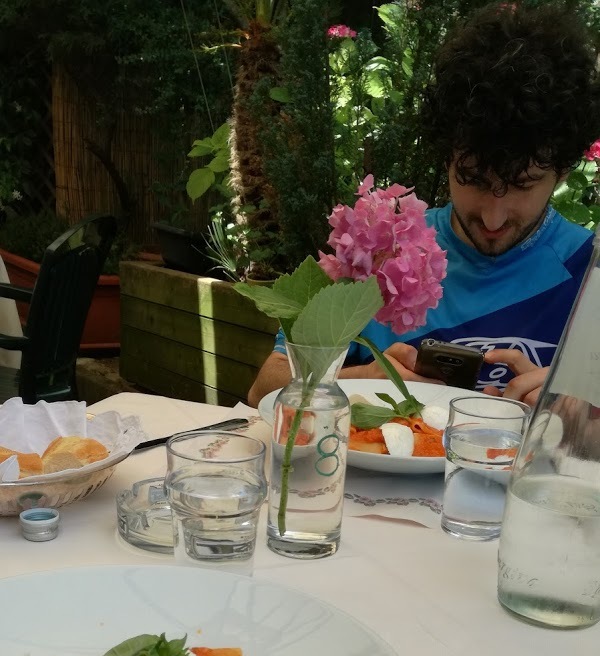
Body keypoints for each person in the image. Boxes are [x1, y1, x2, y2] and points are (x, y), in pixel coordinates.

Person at [248, 3, 600, 410]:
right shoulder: (377, 253)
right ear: (446, 155)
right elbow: (264, 387)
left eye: (522, 185)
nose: (492, 217)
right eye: (473, 180)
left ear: (564, 172)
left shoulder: (588, 272)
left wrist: (584, 415)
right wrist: (358, 378)